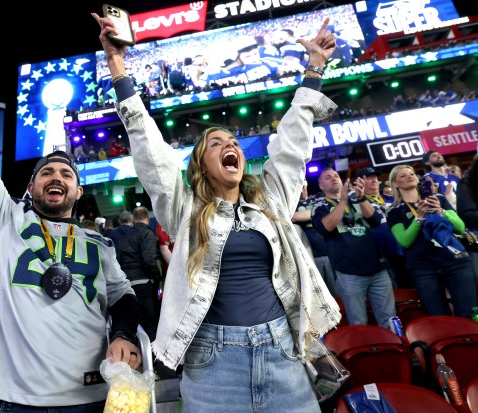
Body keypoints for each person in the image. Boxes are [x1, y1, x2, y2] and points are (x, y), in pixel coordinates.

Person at [94, 14, 340, 412]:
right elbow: (148, 148)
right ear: (200, 166)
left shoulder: (271, 199)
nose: (231, 146)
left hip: (283, 352)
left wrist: (314, 69)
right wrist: (117, 67)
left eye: (233, 142)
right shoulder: (185, 209)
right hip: (213, 361)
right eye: (216, 143)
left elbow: (293, 144)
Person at [0, 31, 141, 412]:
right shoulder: (4, 218)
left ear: (79, 192)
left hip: (90, 393)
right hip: (16, 397)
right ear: (31, 186)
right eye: (47, 172)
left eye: (67, 175)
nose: (56, 178)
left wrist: (125, 333)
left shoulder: (101, 245)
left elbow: (123, 296)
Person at [386, 165, 477, 318]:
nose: (410, 176)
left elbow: (460, 228)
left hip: (455, 262)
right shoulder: (394, 211)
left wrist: (441, 212)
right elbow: (405, 241)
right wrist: (419, 217)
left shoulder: (438, 199)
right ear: (394, 184)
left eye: (412, 173)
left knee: (470, 313)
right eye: (403, 176)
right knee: (439, 316)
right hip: (423, 268)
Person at [311, 168, 396, 328]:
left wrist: (361, 197)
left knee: (389, 318)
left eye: (336, 176)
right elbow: (325, 228)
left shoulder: (358, 199)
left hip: (378, 268)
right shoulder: (319, 205)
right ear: (321, 186)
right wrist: (342, 201)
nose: (334, 178)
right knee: (358, 322)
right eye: (328, 177)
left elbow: (376, 221)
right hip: (349, 273)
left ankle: (396, 351)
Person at [118, 206, 162, 342]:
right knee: (151, 326)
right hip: (145, 285)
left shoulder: (124, 237)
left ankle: (144, 359)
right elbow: (149, 260)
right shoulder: (147, 234)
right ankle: (156, 360)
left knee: (139, 326)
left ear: (133, 219)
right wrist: (157, 277)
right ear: (148, 218)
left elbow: (119, 261)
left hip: (129, 285)